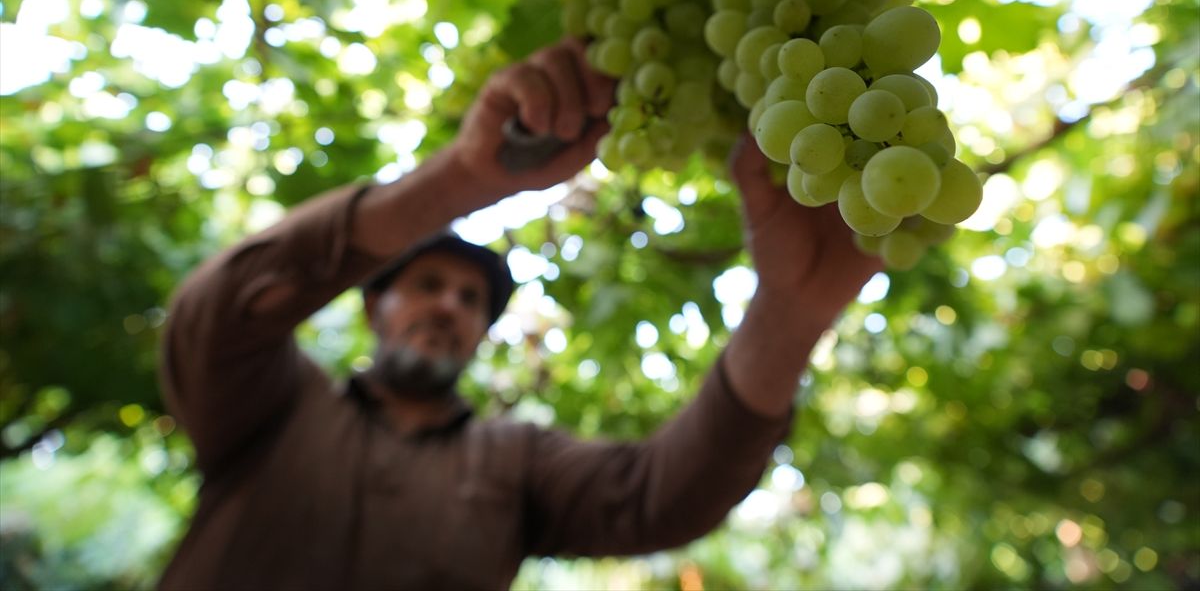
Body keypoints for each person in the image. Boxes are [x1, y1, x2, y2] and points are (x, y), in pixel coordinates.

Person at [157, 37, 881, 590]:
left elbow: (661, 498)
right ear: (375, 305)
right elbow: (214, 316)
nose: (450, 305)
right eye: (429, 284)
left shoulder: (516, 462)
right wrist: (460, 178)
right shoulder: (277, 408)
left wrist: (789, 314)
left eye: (471, 300)